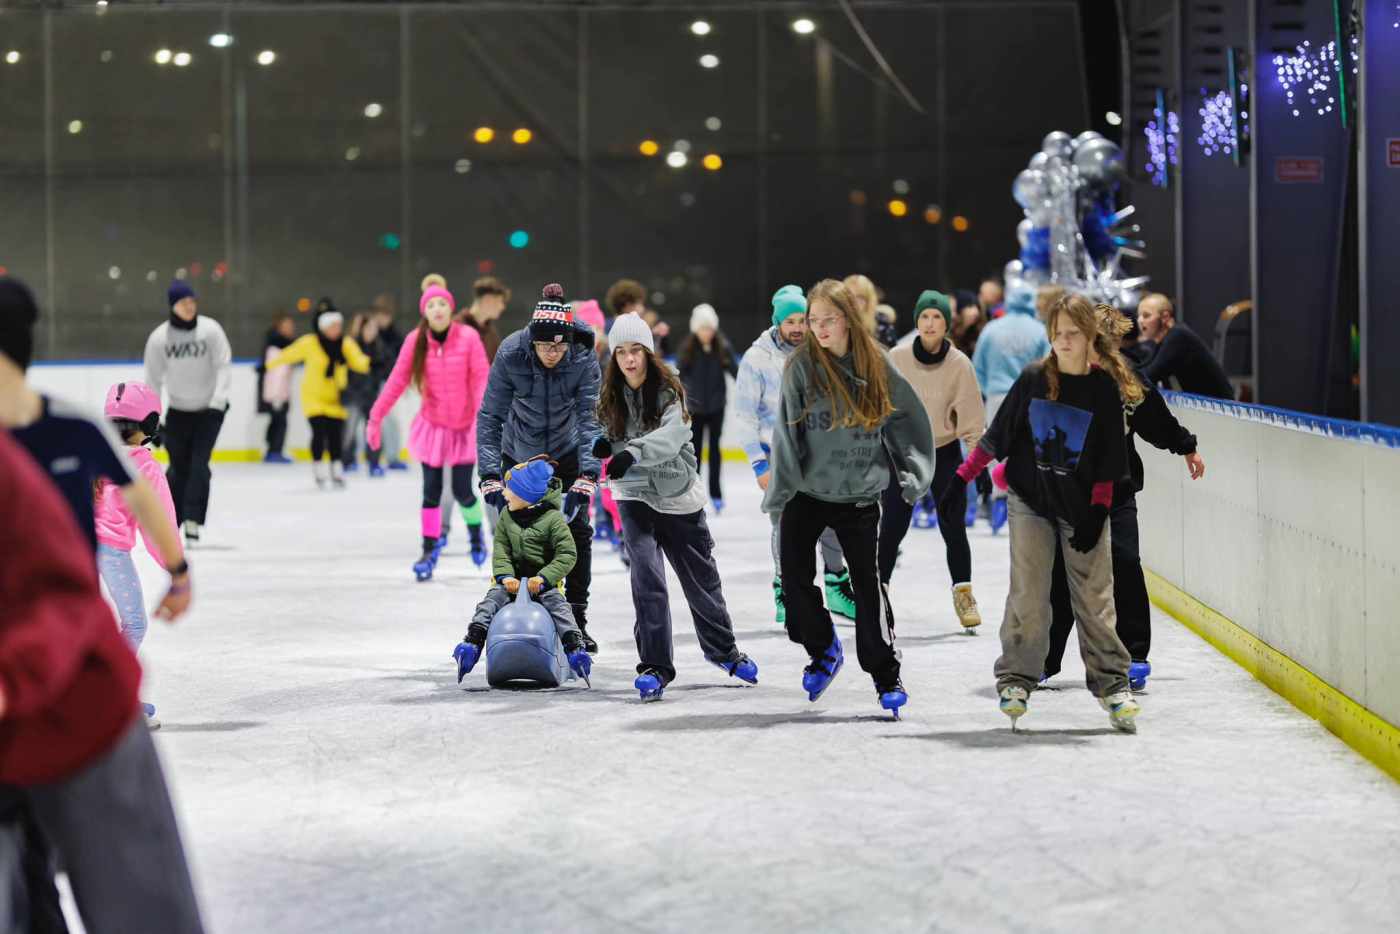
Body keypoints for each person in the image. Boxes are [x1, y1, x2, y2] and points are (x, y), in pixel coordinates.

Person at [0, 426, 205, 934]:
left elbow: (56, 598)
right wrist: (177, 570)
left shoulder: (42, 456)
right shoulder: (74, 441)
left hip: (79, 720)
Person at [940, 293, 1141, 733]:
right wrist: (961, 477)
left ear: (1090, 336)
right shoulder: (1034, 378)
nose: (1064, 341)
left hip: (1083, 505)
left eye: (1073, 333)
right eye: (1058, 333)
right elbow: (998, 436)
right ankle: (1016, 678)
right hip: (1031, 501)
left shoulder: (1102, 389)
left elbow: (1111, 458)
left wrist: (1098, 511)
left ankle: (1112, 684)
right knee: (1029, 593)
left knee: (1095, 598)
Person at [763, 279, 935, 718]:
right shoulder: (801, 366)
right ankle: (822, 649)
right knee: (795, 584)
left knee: (867, 587)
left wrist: (913, 472)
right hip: (806, 491)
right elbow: (786, 433)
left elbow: (906, 418)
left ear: (847, 319)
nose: (818, 328)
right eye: (813, 320)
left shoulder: (876, 363)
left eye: (827, 320)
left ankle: (885, 674)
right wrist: (781, 494)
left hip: (858, 494)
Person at [0, 277, 191, 621]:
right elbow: (150, 504)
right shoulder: (76, 428)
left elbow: (145, 501)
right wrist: (177, 572)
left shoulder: (77, 430)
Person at [593, 313, 758, 702]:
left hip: (677, 496)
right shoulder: (610, 396)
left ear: (649, 353)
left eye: (636, 350)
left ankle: (723, 651)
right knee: (647, 580)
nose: (629, 359)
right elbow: (602, 432)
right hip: (633, 498)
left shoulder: (670, 392)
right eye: (621, 352)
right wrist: (603, 445)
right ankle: (654, 666)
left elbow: (669, 438)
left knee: (701, 583)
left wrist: (631, 451)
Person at [1042, 303, 1205, 691]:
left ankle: (1135, 653)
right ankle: (1043, 658)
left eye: (1111, 343)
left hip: (1117, 488)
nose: (1105, 349)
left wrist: (1186, 447)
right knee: (1063, 576)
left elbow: (1155, 420)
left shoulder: (1127, 376)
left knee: (1126, 561)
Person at [477, 284, 604, 653]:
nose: (554, 352)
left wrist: (588, 476)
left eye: (560, 345)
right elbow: (490, 416)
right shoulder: (511, 353)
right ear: (533, 342)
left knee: (576, 533)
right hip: (518, 454)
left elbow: (591, 419)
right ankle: (509, 615)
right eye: (547, 345)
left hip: (565, 453)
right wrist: (489, 475)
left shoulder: (581, 354)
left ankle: (576, 620)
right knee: (515, 534)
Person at [731, 286, 857, 625]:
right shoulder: (757, 359)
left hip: (818, 451)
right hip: (776, 455)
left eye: (803, 320)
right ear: (777, 321)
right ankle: (785, 590)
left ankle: (836, 585)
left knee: (831, 520)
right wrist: (759, 462)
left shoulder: (820, 350)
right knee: (786, 525)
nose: (799, 327)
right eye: (791, 321)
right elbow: (744, 416)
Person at [368, 275, 490, 579]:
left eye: (442, 304)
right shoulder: (415, 341)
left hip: (464, 428)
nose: (437, 309)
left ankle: (476, 535)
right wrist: (375, 418)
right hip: (433, 426)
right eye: (431, 305)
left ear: (450, 308)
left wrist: (483, 421)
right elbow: (397, 381)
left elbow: (480, 380)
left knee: (463, 491)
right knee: (431, 492)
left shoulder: (468, 337)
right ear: (425, 311)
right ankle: (429, 548)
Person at [879, 290, 985, 630]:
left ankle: (964, 592)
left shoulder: (959, 365)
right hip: (904, 454)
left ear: (946, 324)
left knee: (954, 529)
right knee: (893, 529)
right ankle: (877, 594)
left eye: (937, 317)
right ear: (917, 321)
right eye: (924, 316)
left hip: (945, 453)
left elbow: (971, 420)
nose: (929, 322)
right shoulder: (896, 357)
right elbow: (879, 408)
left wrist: (979, 464)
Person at [451, 456, 592, 685]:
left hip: (545, 582)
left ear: (526, 495)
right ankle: (472, 643)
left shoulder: (554, 520)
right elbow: (501, 550)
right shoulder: (506, 516)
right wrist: (506, 577)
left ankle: (575, 648)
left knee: (559, 607)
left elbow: (567, 554)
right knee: (490, 602)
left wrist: (544, 577)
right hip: (510, 582)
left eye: (509, 490)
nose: (504, 494)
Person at [94, 381, 182, 729]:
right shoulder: (145, 467)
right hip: (111, 553)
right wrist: (176, 568)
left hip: (80, 547)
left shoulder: (94, 453)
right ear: (148, 425)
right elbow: (160, 523)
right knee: (134, 623)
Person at [143, 279, 232, 545]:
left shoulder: (210, 330)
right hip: (178, 412)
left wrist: (218, 401)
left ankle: (193, 519)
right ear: (173, 306)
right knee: (179, 467)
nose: (189, 306)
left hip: (209, 411)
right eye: (184, 303)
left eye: (192, 301)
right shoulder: (160, 339)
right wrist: (153, 420)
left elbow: (224, 366)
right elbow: (153, 380)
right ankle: (173, 519)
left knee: (199, 464)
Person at [266, 299, 372, 489]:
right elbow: (289, 354)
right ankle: (318, 467)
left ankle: (336, 468)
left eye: (338, 326)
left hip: (335, 396)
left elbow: (358, 361)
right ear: (323, 327)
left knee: (335, 436)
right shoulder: (310, 343)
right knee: (319, 432)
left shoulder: (345, 344)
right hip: (313, 396)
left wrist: (373, 363)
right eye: (332, 326)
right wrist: (269, 364)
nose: (336, 330)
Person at [972, 280, 1052, 532]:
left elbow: (977, 366)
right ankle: (1024, 502)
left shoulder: (991, 329)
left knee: (995, 448)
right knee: (1028, 448)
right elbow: (1050, 365)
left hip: (996, 396)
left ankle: (997, 501)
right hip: (1031, 398)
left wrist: (989, 391)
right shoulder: (1039, 331)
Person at [675, 303, 738, 512]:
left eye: (709, 329)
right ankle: (695, 490)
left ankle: (716, 494)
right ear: (696, 329)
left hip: (717, 406)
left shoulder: (723, 347)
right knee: (695, 452)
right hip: (695, 410)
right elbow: (678, 376)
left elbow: (735, 371)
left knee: (715, 450)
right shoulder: (687, 349)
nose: (706, 333)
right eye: (703, 329)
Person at [1136, 293, 1235, 399]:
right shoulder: (1167, 339)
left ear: (1165, 317)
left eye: (1146, 316)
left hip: (1221, 408)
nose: (1140, 320)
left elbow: (1148, 376)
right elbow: (1145, 368)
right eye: (1139, 316)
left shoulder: (1178, 336)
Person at [342, 313, 383, 475]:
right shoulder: (351, 345)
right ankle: (347, 460)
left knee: (374, 428)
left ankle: (374, 462)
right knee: (349, 429)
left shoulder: (378, 347)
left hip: (371, 393)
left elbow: (385, 366)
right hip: (353, 393)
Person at [369, 296, 407, 470]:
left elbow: (403, 360)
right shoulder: (369, 332)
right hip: (368, 384)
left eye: (387, 316)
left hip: (388, 383)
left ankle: (392, 456)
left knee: (389, 420)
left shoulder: (395, 336)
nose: (384, 320)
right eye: (381, 315)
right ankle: (354, 456)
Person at [258, 311, 296, 463]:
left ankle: (273, 450)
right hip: (277, 394)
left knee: (277, 421)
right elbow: (275, 374)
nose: (291, 329)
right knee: (280, 422)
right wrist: (276, 396)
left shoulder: (284, 347)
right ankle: (274, 451)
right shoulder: (276, 349)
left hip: (280, 393)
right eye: (288, 326)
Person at [455, 276, 510, 364]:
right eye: (501, 301)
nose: (503, 307)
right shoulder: (457, 326)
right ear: (488, 300)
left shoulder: (491, 332)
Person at [843, 274, 897, 347]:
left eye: (859, 297)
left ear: (868, 301)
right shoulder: (837, 324)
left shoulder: (882, 327)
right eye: (849, 296)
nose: (853, 301)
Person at [949, 288, 983, 357]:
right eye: (969, 306)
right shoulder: (944, 339)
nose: (976, 312)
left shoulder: (975, 336)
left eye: (977, 307)